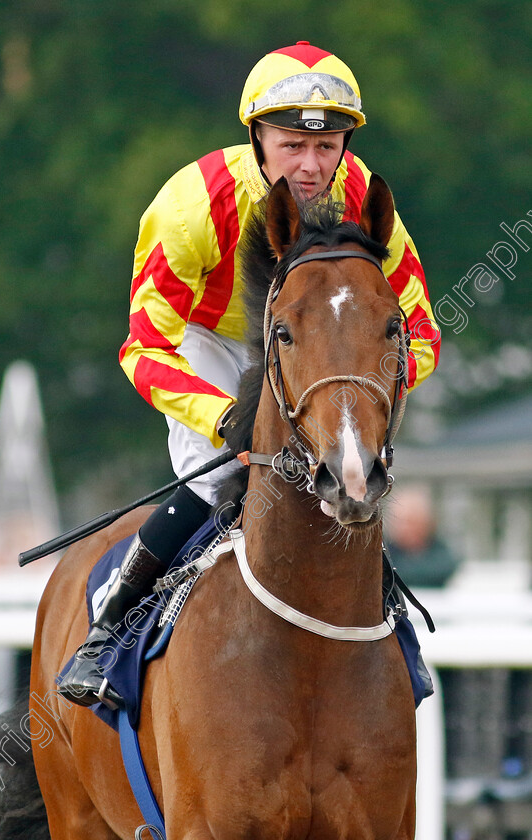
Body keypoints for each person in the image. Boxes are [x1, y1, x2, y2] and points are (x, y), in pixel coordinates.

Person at [59, 41, 441, 707]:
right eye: (292, 145)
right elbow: (144, 346)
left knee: (343, 469)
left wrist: (365, 391)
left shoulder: (362, 197)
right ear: (256, 137)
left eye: (327, 147)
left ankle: (392, 630)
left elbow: (420, 329)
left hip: (316, 347)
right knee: (215, 477)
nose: (311, 165)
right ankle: (110, 629)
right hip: (202, 335)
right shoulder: (192, 203)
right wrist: (222, 416)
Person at [385, 483, 458, 587]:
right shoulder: (383, 553)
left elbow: (444, 569)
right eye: (401, 522)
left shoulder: (441, 553)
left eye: (411, 522)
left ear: (427, 522)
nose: (405, 528)